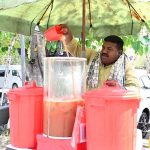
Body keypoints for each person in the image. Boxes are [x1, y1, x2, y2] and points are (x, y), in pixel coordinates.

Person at [60, 25, 140, 92]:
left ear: (119, 52)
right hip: (90, 105)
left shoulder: (126, 66)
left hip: (111, 108)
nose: (104, 51)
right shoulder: (94, 55)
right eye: (103, 47)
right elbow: (76, 49)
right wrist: (67, 35)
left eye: (109, 49)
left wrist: (121, 89)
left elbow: (135, 89)